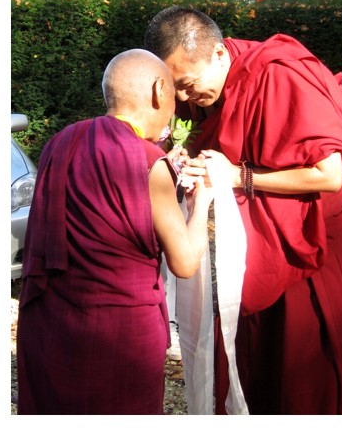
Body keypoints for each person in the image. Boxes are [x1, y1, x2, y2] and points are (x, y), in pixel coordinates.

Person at [144, 6, 342, 415]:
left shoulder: (277, 74)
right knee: (253, 372)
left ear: (217, 54)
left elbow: (329, 174)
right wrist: (189, 158)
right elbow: (224, 138)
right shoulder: (210, 88)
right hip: (253, 253)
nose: (182, 99)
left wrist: (238, 176)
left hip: (309, 256)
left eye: (188, 85)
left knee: (305, 379)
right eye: (174, 88)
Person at [16, 48, 213, 415]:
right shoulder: (147, 162)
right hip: (122, 337)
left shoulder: (62, 142)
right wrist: (202, 200)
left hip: (51, 328)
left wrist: (161, 165)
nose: (174, 111)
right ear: (158, 91)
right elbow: (185, 262)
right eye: (173, 97)